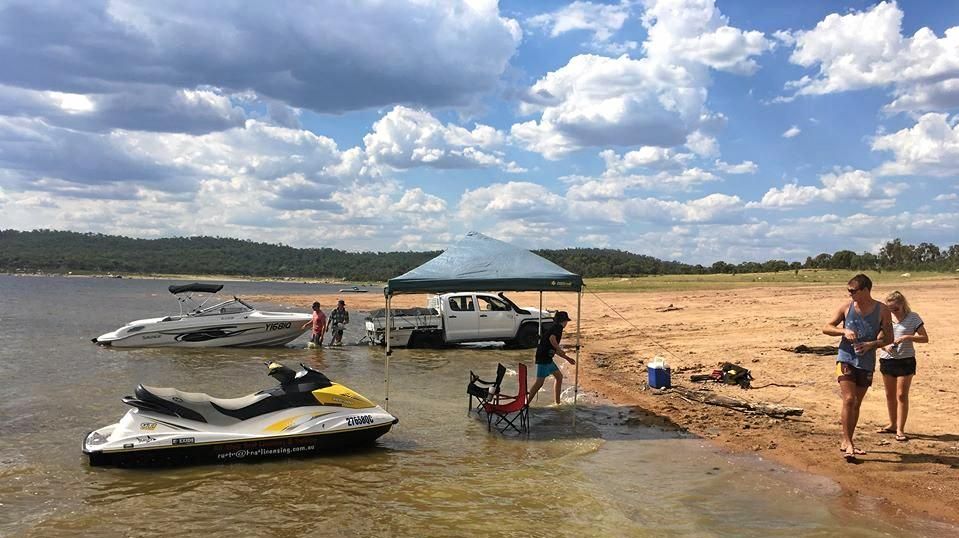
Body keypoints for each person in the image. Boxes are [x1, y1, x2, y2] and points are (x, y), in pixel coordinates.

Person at [823, 274, 894, 461]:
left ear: (865, 290)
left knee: (856, 403)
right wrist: (843, 330)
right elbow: (827, 327)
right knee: (848, 399)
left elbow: (889, 339)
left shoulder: (882, 310)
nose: (849, 294)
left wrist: (871, 345)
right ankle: (848, 442)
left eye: (853, 291)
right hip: (845, 358)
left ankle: (847, 440)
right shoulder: (846, 308)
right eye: (848, 290)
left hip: (866, 361)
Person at [877, 291, 929, 442]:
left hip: (906, 361)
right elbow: (878, 338)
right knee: (889, 395)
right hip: (887, 360)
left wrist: (907, 337)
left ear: (903, 305)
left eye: (896, 309)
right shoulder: (885, 318)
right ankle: (892, 424)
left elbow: (925, 338)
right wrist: (884, 347)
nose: (893, 312)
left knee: (901, 395)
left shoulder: (913, 317)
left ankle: (900, 429)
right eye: (889, 309)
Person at [528, 311, 576, 405]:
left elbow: (554, 348)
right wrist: (559, 348)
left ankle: (557, 402)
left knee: (559, 377)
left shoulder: (555, 327)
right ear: (564, 321)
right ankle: (526, 403)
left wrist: (567, 358)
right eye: (566, 321)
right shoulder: (558, 328)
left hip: (547, 356)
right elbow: (552, 339)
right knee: (539, 382)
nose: (566, 323)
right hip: (543, 357)